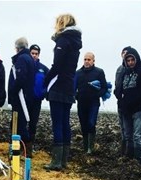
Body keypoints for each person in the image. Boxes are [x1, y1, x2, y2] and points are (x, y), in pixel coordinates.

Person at [44, 14, 82, 171]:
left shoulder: (63, 40)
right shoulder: (76, 42)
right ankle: (64, 159)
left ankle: (56, 161)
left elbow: (57, 65)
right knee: (65, 122)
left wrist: (46, 80)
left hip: (58, 86)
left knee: (57, 123)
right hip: (68, 86)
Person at [115, 47, 141, 163]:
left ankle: (138, 159)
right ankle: (129, 157)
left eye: (132, 60)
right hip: (126, 109)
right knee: (127, 135)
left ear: (136, 59)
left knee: (137, 134)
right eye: (128, 60)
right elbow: (119, 88)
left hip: (138, 108)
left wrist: (135, 100)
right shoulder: (124, 72)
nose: (130, 62)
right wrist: (121, 101)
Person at [75, 52, 107, 154]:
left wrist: (97, 95)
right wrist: (76, 96)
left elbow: (104, 87)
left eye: (89, 59)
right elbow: (73, 88)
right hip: (81, 103)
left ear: (93, 61)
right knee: (83, 125)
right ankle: (85, 147)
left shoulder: (99, 72)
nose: (86, 61)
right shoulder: (78, 73)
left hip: (93, 103)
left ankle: (90, 148)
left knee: (91, 123)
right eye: (85, 59)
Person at [7, 37, 35, 156]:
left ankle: (25, 150)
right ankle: (20, 149)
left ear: (17, 48)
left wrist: (13, 91)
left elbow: (20, 79)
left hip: (20, 98)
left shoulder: (22, 59)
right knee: (19, 123)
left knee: (19, 124)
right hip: (25, 96)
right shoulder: (28, 58)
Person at [28, 44, 49, 157]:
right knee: (23, 123)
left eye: (36, 54)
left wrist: (44, 93)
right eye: (32, 53)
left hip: (37, 101)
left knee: (33, 124)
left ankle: (29, 148)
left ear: (39, 55)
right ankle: (20, 146)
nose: (34, 55)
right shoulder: (25, 66)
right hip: (25, 100)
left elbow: (49, 81)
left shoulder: (43, 69)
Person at [114, 46, 130, 156]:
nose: (125, 54)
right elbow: (117, 83)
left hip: (130, 103)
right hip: (120, 102)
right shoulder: (119, 69)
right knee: (122, 128)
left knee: (129, 129)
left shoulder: (133, 68)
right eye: (123, 53)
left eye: (127, 53)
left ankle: (129, 152)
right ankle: (123, 151)